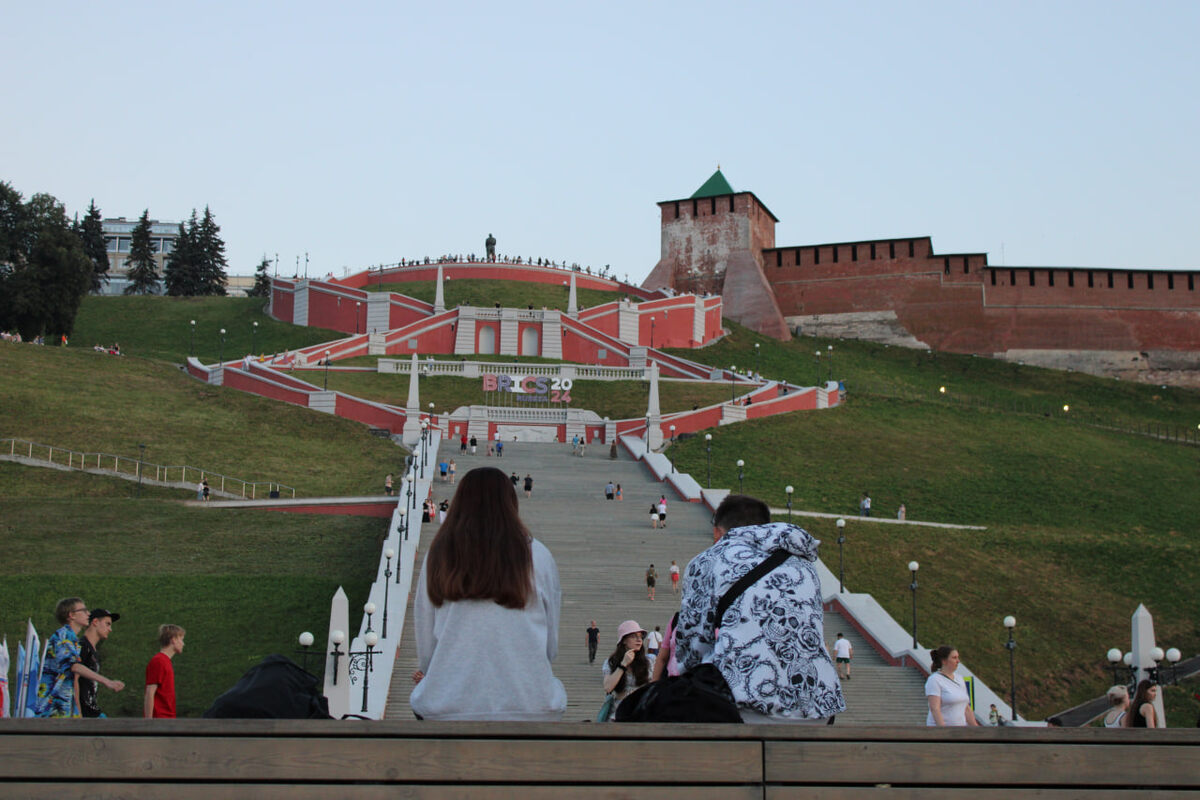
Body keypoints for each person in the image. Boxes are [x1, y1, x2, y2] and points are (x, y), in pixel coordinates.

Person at [409, 467, 566, 720]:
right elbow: (550, 648)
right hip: (532, 706)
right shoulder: (538, 555)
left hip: (448, 708)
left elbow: (426, 647)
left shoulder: (438, 555)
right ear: (510, 504)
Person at [675, 494, 845, 723]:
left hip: (744, 705)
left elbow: (693, 642)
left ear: (717, 531)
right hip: (818, 706)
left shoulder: (708, 561)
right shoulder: (804, 566)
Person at [35, 598, 120, 717]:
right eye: (84, 610)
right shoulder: (63, 635)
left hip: (64, 708)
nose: (88, 614)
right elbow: (74, 667)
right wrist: (107, 681)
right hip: (52, 708)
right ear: (72, 615)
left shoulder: (73, 640)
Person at [78, 609, 126, 718]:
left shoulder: (93, 650)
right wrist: (78, 712)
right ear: (95, 622)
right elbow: (75, 676)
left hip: (91, 711)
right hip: (83, 712)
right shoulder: (82, 646)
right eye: (107, 624)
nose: (110, 629)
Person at [601, 621, 652, 721]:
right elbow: (608, 687)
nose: (639, 640)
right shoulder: (611, 662)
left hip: (641, 711)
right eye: (633, 636)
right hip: (619, 712)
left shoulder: (649, 662)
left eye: (640, 636)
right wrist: (623, 665)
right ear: (624, 640)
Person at [925, 645, 979, 726]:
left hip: (960, 729)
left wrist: (976, 729)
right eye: (954, 658)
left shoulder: (959, 678)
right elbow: (935, 708)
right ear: (944, 661)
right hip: (941, 729)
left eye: (958, 657)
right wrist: (943, 730)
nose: (958, 661)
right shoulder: (934, 679)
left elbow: (966, 708)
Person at [144, 624, 186, 718]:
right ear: (173, 639)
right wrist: (148, 722)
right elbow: (150, 692)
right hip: (160, 719)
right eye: (181, 639)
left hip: (167, 719)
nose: (183, 644)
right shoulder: (159, 661)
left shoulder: (165, 661)